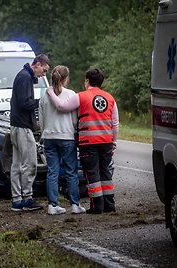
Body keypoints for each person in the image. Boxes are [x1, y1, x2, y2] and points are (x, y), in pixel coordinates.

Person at [46, 68, 119, 214]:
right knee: (105, 172)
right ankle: (109, 204)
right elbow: (115, 123)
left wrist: (50, 93)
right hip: (106, 141)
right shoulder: (110, 98)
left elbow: (61, 106)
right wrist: (114, 141)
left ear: (87, 81)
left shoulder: (81, 96)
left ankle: (97, 206)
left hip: (89, 142)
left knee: (92, 173)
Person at [39, 65, 86, 215]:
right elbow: (74, 119)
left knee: (52, 171)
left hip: (49, 136)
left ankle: (53, 205)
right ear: (66, 79)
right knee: (71, 171)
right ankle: (75, 204)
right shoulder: (71, 94)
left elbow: (41, 119)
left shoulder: (44, 96)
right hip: (66, 136)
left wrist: (44, 132)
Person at [9, 54, 51, 211]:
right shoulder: (25, 77)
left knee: (17, 164)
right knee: (30, 163)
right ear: (37, 64)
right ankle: (27, 198)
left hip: (16, 125)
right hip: (22, 126)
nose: (44, 74)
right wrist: (42, 102)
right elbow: (24, 102)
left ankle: (17, 200)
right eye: (44, 70)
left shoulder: (23, 75)